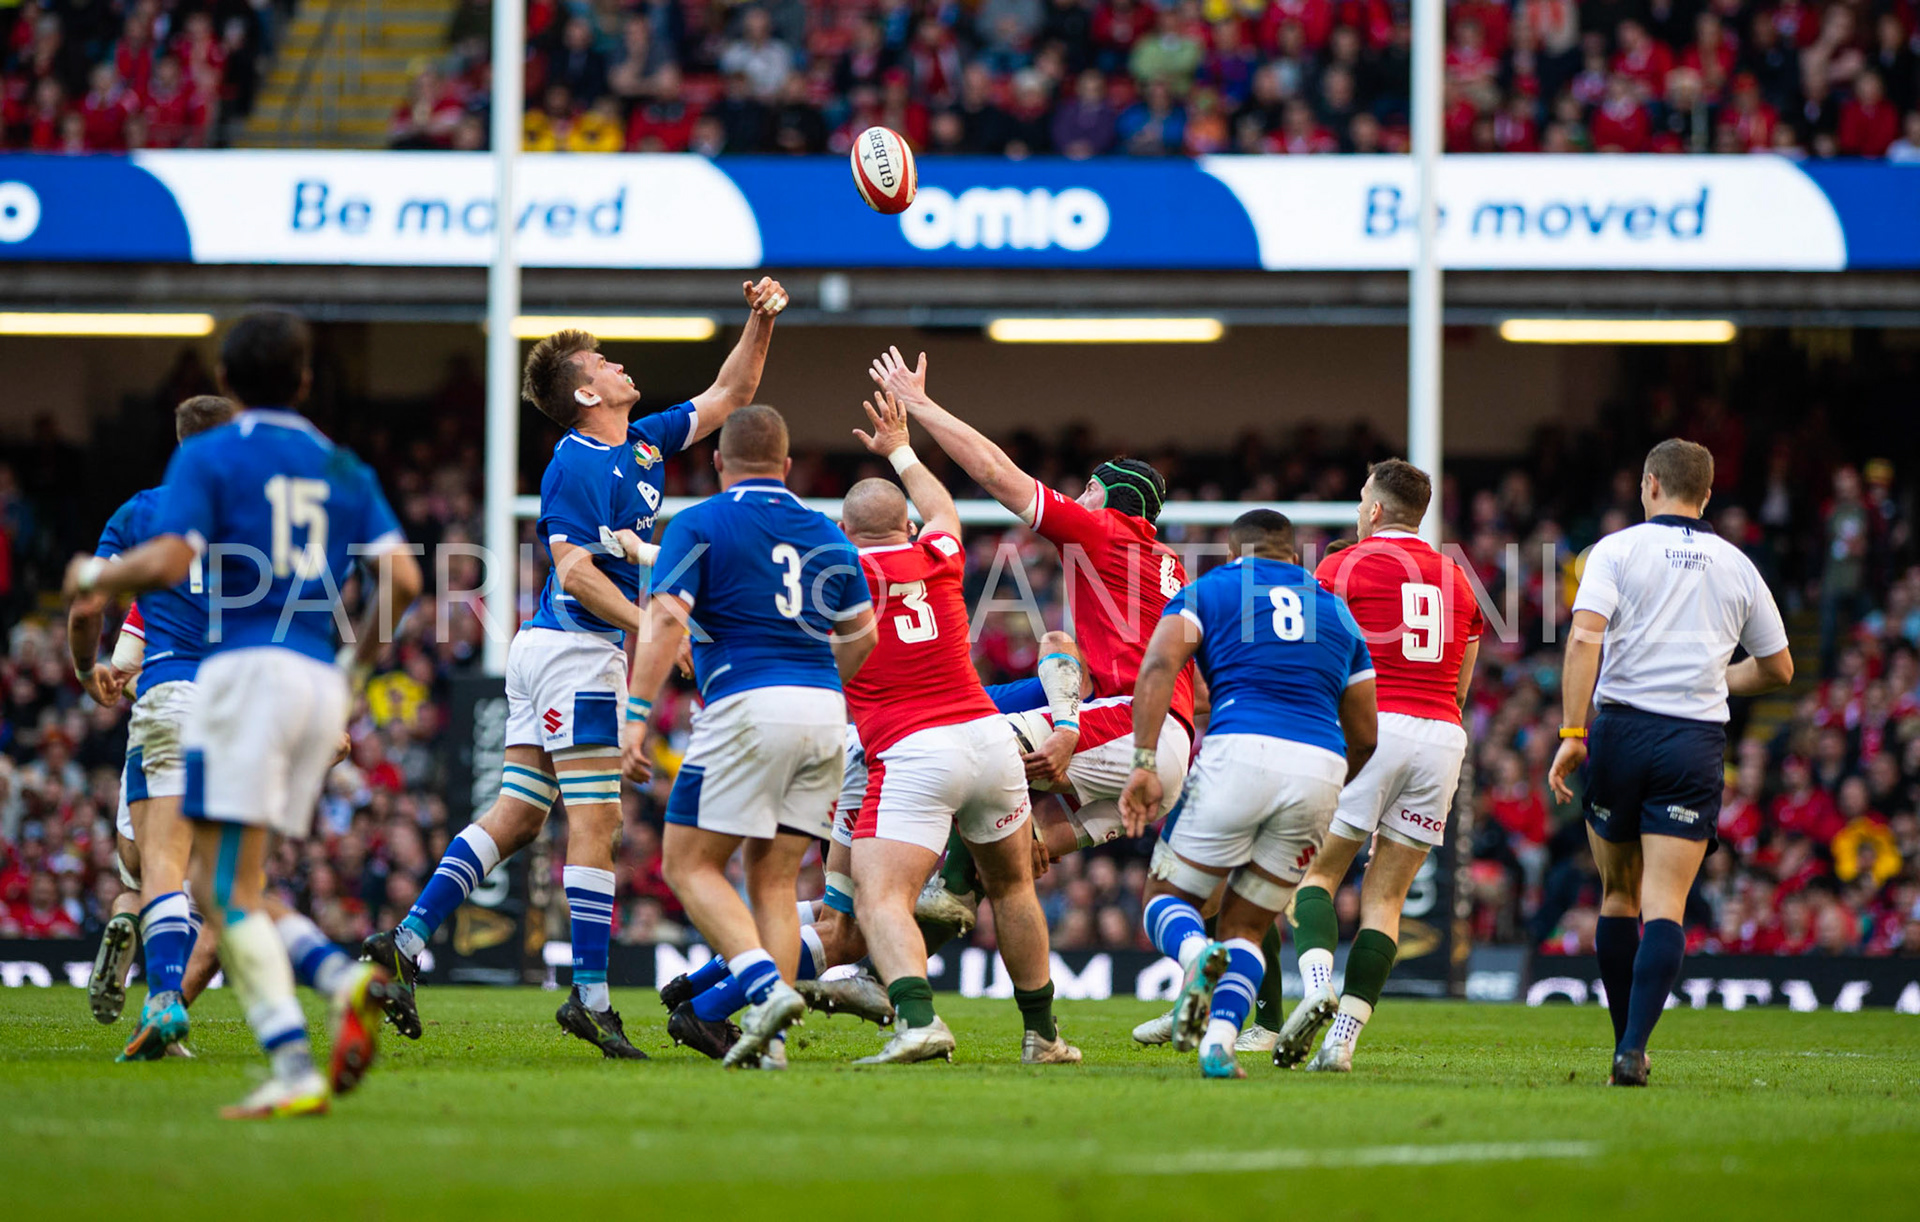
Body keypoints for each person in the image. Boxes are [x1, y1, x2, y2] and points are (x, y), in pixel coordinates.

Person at [362, 278, 789, 1056]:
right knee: (597, 823)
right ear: (588, 391)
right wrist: (656, 625)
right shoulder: (578, 461)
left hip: (552, 652)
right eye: (606, 361)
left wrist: (760, 318)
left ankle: (408, 940)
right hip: (576, 654)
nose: (622, 365)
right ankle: (590, 999)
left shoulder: (647, 441)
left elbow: (733, 392)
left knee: (521, 816)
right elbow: (576, 571)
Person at [61, 310, 422, 1118]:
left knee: (204, 883)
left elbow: (175, 559)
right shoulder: (341, 464)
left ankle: (337, 984)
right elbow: (401, 579)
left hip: (232, 678)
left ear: (226, 382)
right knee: (236, 887)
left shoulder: (213, 456)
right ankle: (296, 1064)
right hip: (312, 683)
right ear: (303, 381)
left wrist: (99, 574)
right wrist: (356, 662)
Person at [866, 346, 1194, 937]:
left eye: (1087, 490)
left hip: (1132, 727)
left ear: (1101, 496)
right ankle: (906, 955)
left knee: (971, 751)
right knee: (1011, 852)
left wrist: (921, 406)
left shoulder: (1104, 532)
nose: (1078, 497)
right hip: (1166, 751)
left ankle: (890, 881)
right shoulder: (1168, 565)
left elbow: (996, 474)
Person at [620, 404, 878, 1070]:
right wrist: (822, 685)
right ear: (786, 466)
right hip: (824, 710)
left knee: (687, 863)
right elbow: (864, 634)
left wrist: (635, 714)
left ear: (716, 461)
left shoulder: (700, 522)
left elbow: (667, 622)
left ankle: (764, 991)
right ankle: (773, 1048)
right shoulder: (827, 532)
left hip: (746, 702)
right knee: (773, 877)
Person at [837, 390, 1080, 1065]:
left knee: (881, 895)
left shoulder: (841, 573)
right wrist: (902, 449)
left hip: (915, 751)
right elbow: (943, 507)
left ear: (845, 528)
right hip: (988, 739)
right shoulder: (938, 553)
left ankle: (917, 1019)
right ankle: (1045, 1037)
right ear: (905, 523)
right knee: (1013, 888)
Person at [1548, 439, 1794, 1087]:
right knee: (1665, 904)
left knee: (1619, 893)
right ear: (1707, 493)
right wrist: (1720, 677)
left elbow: (1583, 636)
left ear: (1650, 484)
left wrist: (1573, 731)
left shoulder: (1616, 550)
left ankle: (1625, 1042)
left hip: (1623, 729)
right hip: (1693, 740)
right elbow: (1779, 668)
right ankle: (1633, 1046)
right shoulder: (1736, 563)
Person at [1119, 510, 1378, 1079]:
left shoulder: (1209, 590)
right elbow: (1366, 734)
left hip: (1240, 748)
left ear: (1236, 550)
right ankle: (1219, 1046)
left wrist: (1143, 761)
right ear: (1293, 554)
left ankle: (1194, 957)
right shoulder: (1337, 612)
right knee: (1248, 927)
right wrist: (1332, 786)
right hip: (1321, 767)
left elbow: (1161, 662)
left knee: (1167, 897)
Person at [1279, 458, 1482, 1072]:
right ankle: (1342, 1041)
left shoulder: (1341, 566)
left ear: (1373, 510)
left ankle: (1316, 985)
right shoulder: (1459, 579)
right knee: (1386, 899)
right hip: (1442, 737)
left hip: (1372, 727)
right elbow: (1462, 689)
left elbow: (1316, 663)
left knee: (1312, 877)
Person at [70, 394, 238, 1056]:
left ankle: (163, 995)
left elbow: (87, 608)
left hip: (175, 695)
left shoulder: (142, 513)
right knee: (223, 884)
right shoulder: (268, 517)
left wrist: (87, 671)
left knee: (155, 866)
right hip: (252, 706)